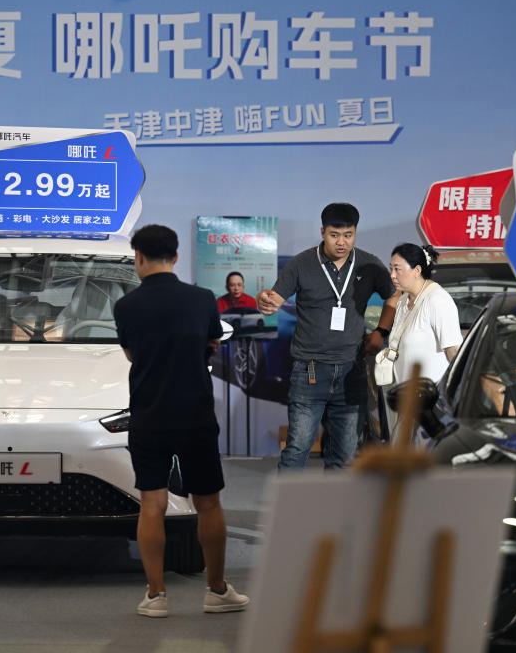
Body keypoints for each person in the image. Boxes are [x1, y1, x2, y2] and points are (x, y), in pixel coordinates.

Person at [113, 224, 249, 618]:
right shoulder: (203, 299)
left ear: (139, 258)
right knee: (208, 503)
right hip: (195, 414)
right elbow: (212, 343)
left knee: (152, 504)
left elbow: (131, 354)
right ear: (175, 257)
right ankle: (217, 590)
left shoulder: (126, 306)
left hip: (148, 414)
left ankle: (156, 595)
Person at [257, 203, 398, 470]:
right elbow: (273, 298)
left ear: (355, 233)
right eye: (334, 235)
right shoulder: (302, 263)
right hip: (310, 370)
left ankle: (335, 500)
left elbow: (393, 295)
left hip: (351, 370)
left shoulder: (369, 264)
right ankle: (286, 500)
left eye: (348, 235)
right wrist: (264, 301)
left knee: (345, 457)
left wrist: (381, 331)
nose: (341, 242)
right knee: (297, 450)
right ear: (323, 232)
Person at [386, 243, 462, 384]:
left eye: (397, 269)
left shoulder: (437, 300)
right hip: (404, 393)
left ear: (417, 270)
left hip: (431, 394)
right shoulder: (403, 301)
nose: (392, 275)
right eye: (391, 269)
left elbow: (453, 352)